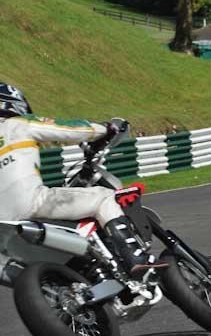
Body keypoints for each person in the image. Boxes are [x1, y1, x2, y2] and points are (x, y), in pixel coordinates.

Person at [0, 82, 165, 285]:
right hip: (30, 202)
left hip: (3, 227)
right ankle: (135, 259)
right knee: (104, 198)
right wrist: (106, 128)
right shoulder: (17, 124)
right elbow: (70, 130)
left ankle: (58, 292)